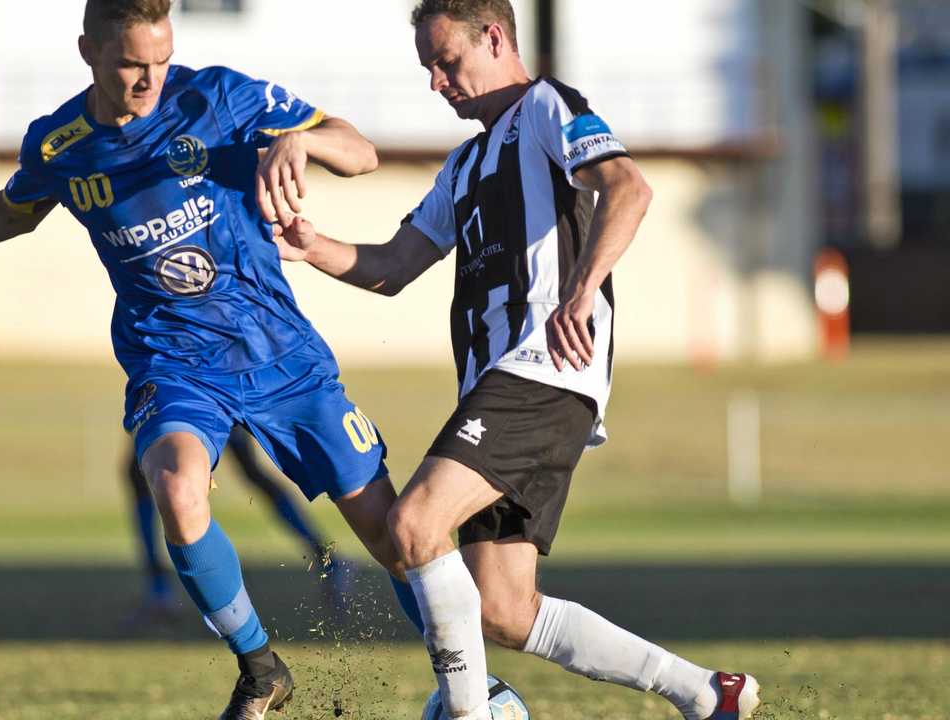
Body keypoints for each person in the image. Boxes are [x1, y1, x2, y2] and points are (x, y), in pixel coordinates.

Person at [0, 2, 425, 717]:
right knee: (173, 485)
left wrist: (307, 143)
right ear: (90, 52)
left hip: (278, 354)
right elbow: (4, 212)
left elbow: (360, 150)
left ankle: (471, 683)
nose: (149, 81)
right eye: (131, 64)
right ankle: (260, 666)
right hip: (173, 362)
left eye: (160, 61)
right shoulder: (61, 144)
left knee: (395, 537)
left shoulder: (218, 95)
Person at [272, 2, 761, 718]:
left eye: (447, 62)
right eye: (428, 70)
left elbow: (630, 187)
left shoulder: (546, 107)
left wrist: (582, 290)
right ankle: (704, 692)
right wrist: (312, 246)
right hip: (501, 388)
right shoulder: (465, 162)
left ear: (495, 37)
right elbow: (396, 263)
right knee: (503, 609)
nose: (437, 84)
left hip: (545, 369)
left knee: (414, 526)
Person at [123, 427, 351, 622]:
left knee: (148, 472)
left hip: (197, 390)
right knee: (250, 472)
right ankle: (329, 560)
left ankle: (161, 590)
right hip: (193, 388)